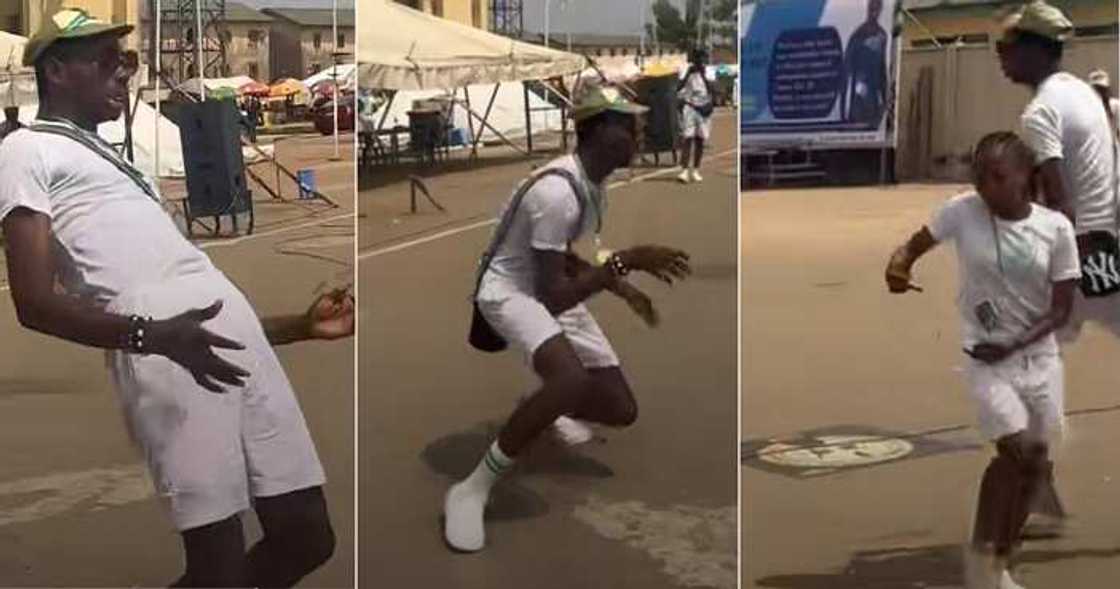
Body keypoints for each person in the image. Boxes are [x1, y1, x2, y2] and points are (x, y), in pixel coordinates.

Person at [0, 10, 354, 587]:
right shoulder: (25, 150)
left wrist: (297, 327)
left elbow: (189, 298)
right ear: (58, 70)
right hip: (162, 348)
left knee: (308, 537)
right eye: (107, 61)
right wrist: (154, 338)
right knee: (215, 566)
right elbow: (33, 302)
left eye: (128, 62)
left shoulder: (113, 157)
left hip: (215, 338)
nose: (123, 74)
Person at [443, 84, 691, 552]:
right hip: (508, 292)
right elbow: (552, 297)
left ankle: (540, 409)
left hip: (545, 284)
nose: (640, 132)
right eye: (629, 125)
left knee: (620, 409)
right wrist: (626, 261)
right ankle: (471, 488)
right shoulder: (557, 193)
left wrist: (622, 287)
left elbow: (563, 261)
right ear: (597, 131)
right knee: (571, 381)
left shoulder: (590, 182)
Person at [886, 132, 1080, 589]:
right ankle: (987, 565)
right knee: (1015, 452)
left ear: (1024, 176)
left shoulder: (1055, 229)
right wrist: (897, 267)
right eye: (979, 177)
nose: (986, 188)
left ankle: (1001, 555)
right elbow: (913, 246)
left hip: (1038, 360)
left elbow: (1061, 309)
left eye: (996, 177)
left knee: (1031, 465)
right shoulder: (962, 211)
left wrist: (1014, 345)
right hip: (986, 361)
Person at [997, 0, 1119, 537]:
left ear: (1033, 49)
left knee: (1019, 368)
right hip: (1109, 251)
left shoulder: (1041, 110)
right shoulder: (1080, 93)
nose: (999, 56)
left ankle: (1031, 492)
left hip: (1079, 257)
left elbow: (1060, 204)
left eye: (1006, 46)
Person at [840, 0, 889, 127]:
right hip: (858, 95)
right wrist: (842, 111)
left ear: (880, 10)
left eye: (876, 9)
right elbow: (846, 71)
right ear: (867, 9)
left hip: (874, 98)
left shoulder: (882, 35)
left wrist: (886, 100)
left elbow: (882, 70)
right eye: (871, 9)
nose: (873, 12)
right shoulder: (858, 34)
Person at [677, 49, 714, 184]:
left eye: (701, 59)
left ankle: (696, 169)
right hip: (690, 106)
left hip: (703, 109)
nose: (699, 62)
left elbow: (713, 90)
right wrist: (688, 74)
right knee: (687, 137)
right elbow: (678, 87)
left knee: (700, 140)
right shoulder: (686, 70)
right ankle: (684, 170)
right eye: (697, 59)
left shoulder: (708, 71)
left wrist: (703, 75)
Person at [1087, 69, 1119, 139]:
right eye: (1097, 89)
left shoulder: (1115, 106)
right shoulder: (1086, 108)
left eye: (1103, 89)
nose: (1100, 92)